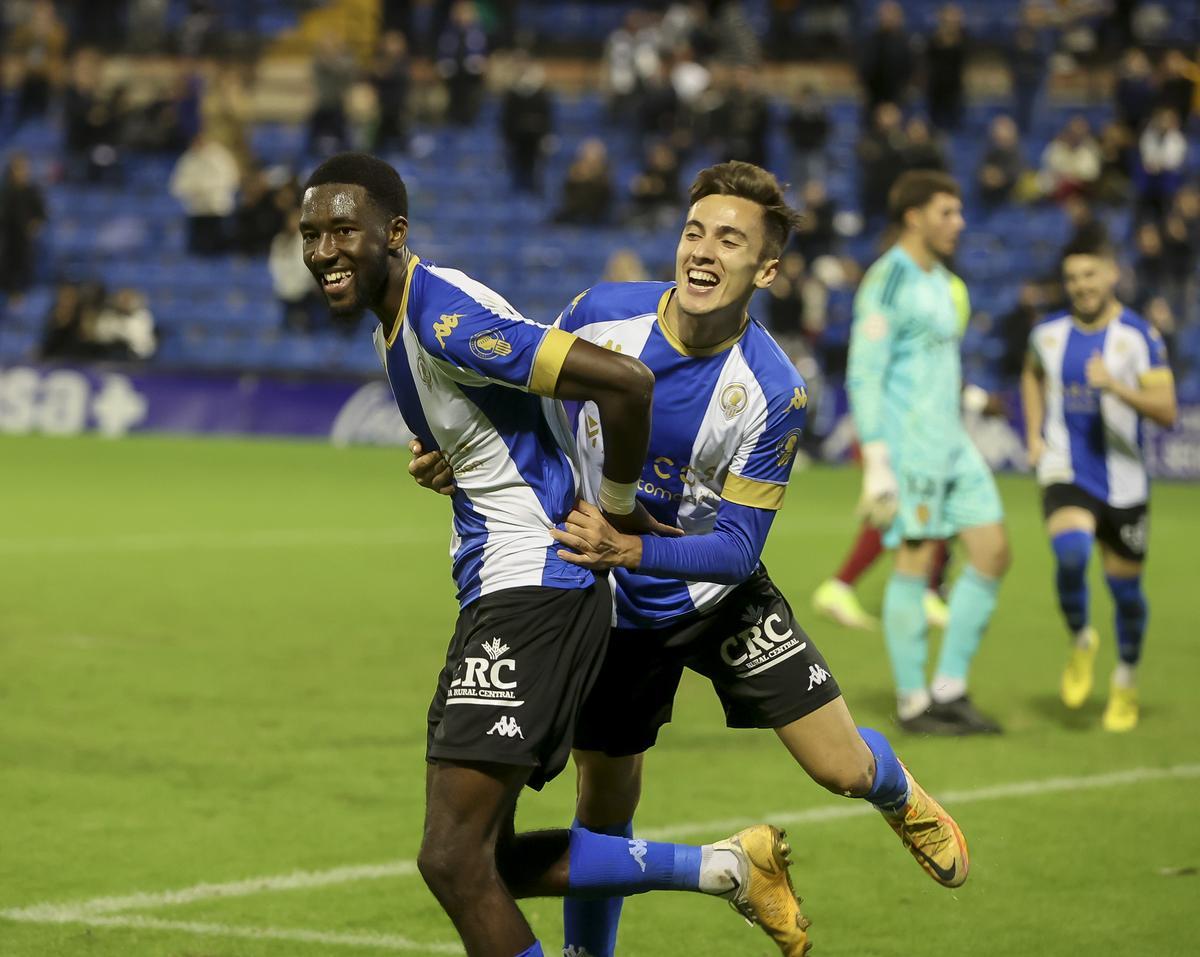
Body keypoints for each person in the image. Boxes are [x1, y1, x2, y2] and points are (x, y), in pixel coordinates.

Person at [413, 161, 971, 957]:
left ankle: (897, 792)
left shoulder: (775, 390)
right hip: (609, 605)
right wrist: (454, 452)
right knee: (604, 806)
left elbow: (740, 550)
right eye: (694, 231)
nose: (703, 251)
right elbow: (524, 400)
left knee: (839, 766)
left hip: (717, 594)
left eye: (731, 240)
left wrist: (630, 544)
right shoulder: (602, 316)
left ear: (767, 269)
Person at [299, 153, 808, 957]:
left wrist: (612, 519)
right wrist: (451, 456)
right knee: (486, 857)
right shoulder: (406, 317)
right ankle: (727, 868)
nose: (323, 249)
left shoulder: (442, 317)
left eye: (341, 231)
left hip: (533, 584)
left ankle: (732, 866)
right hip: (514, 582)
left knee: (451, 857)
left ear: (393, 234)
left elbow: (628, 384)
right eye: (310, 235)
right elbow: (525, 423)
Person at [847, 170, 1010, 735]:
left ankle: (949, 689)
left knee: (991, 550)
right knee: (915, 563)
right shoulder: (888, 280)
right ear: (914, 216)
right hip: (911, 445)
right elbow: (864, 374)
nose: (958, 223)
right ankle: (915, 703)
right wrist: (877, 461)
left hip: (952, 441)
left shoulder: (942, 280)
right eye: (947, 212)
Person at [1021, 225, 1177, 732]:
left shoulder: (1138, 338)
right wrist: (1035, 435)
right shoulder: (1047, 334)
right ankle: (1082, 638)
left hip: (1126, 483)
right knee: (1070, 555)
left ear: (1112, 273)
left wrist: (1115, 387)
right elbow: (1031, 374)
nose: (1081, 285)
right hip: (1067, 469)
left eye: (1090, 274)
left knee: (1125, 592)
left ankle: (1126, 682)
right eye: (1072, 277)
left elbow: (1167, 410)